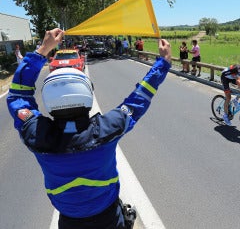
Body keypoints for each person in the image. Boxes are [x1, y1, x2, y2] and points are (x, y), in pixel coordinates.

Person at [7, 28, 172, 229]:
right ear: (87, 94)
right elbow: (140, 98)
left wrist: (43, 49)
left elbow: (17, 96)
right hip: (110, 219)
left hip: (68, 222)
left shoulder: (37, 135)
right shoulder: (107, 129)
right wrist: (162, 64)